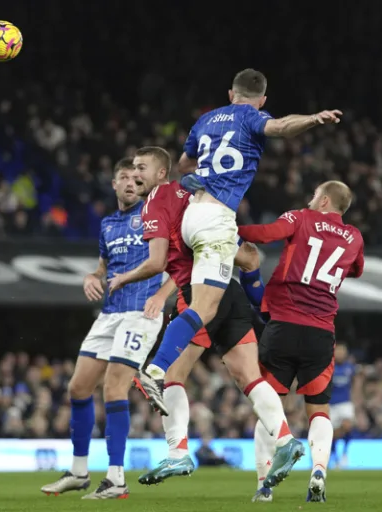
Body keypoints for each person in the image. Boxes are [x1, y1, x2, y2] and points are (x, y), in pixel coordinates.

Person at [138, 68, 341, 398]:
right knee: (204, 307)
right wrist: (314, 119)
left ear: (230, 94)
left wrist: (200, 176)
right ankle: (156, 369)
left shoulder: (206, 120)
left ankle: (269, 320)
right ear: (261, 101)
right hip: (215, 217)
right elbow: (281, 128)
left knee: (247, 257)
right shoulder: (252, 118)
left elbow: (185, 165)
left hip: (193, 213)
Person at [109, 146, 299, 490]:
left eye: (142, 168)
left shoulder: (156, 202)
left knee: (172, 377)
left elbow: (156, 262)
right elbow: (250, 258)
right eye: (132, 168)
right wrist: (262, 308)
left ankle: (178, 451)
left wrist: (122, 278)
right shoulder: (200, 200)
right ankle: (286, 440)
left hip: (198, 294)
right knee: (250, 378)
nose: (135, 174)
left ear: (162, 173)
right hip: (231, 291)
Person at [40, 158, 169, 500]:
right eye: (123, 178)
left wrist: (162, 295)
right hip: (110, 313)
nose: (130, 182)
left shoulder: (154, 215)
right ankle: (79, 472)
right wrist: (91, 277)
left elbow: (174, 263)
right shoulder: (109, 223)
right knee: (78, 387)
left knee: (114, 388)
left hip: (141, 311)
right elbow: (102, 267)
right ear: (113, 184)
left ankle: (116, 479)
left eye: (135, 178)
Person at [237, 181, 364, 503]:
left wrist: (229, 228)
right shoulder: (355, 236)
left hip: (283, 327)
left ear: (322, 200)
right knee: (319, 410)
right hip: (321, 334)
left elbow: (265, 234)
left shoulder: (301, 217)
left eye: (313, 195)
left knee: (269, 408)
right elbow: (357, 270)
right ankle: (318, 472)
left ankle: (264, 487)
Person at [328, 343, 356, 469]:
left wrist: (356, 400)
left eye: (342, 351)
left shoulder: (350, 368)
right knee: (331, 433)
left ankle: (345, 452)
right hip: (331, 403)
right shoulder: (329, 367)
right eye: (338, 351)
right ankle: (334, 454)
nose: (340, 354)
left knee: (348, 425)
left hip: (345, 402)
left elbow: (355, 384)